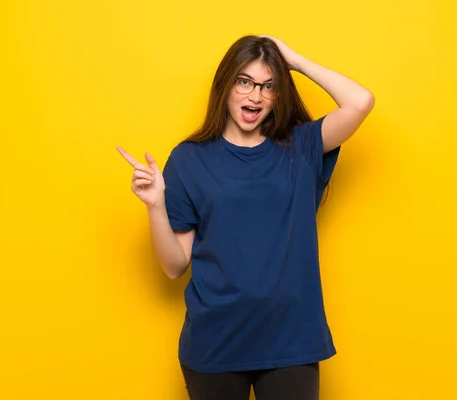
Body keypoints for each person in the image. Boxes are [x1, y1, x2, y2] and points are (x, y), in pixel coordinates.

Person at [117, 35, 374, 400]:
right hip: (215, 343)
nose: (255, 96)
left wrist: (294, 60)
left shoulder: (300, 147)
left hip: (291, 342)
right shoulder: (190, 159)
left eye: (268, 86)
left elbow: (360, 102)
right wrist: (155, 205)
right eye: (245, 81)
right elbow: (174, 265)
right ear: (226, 85)